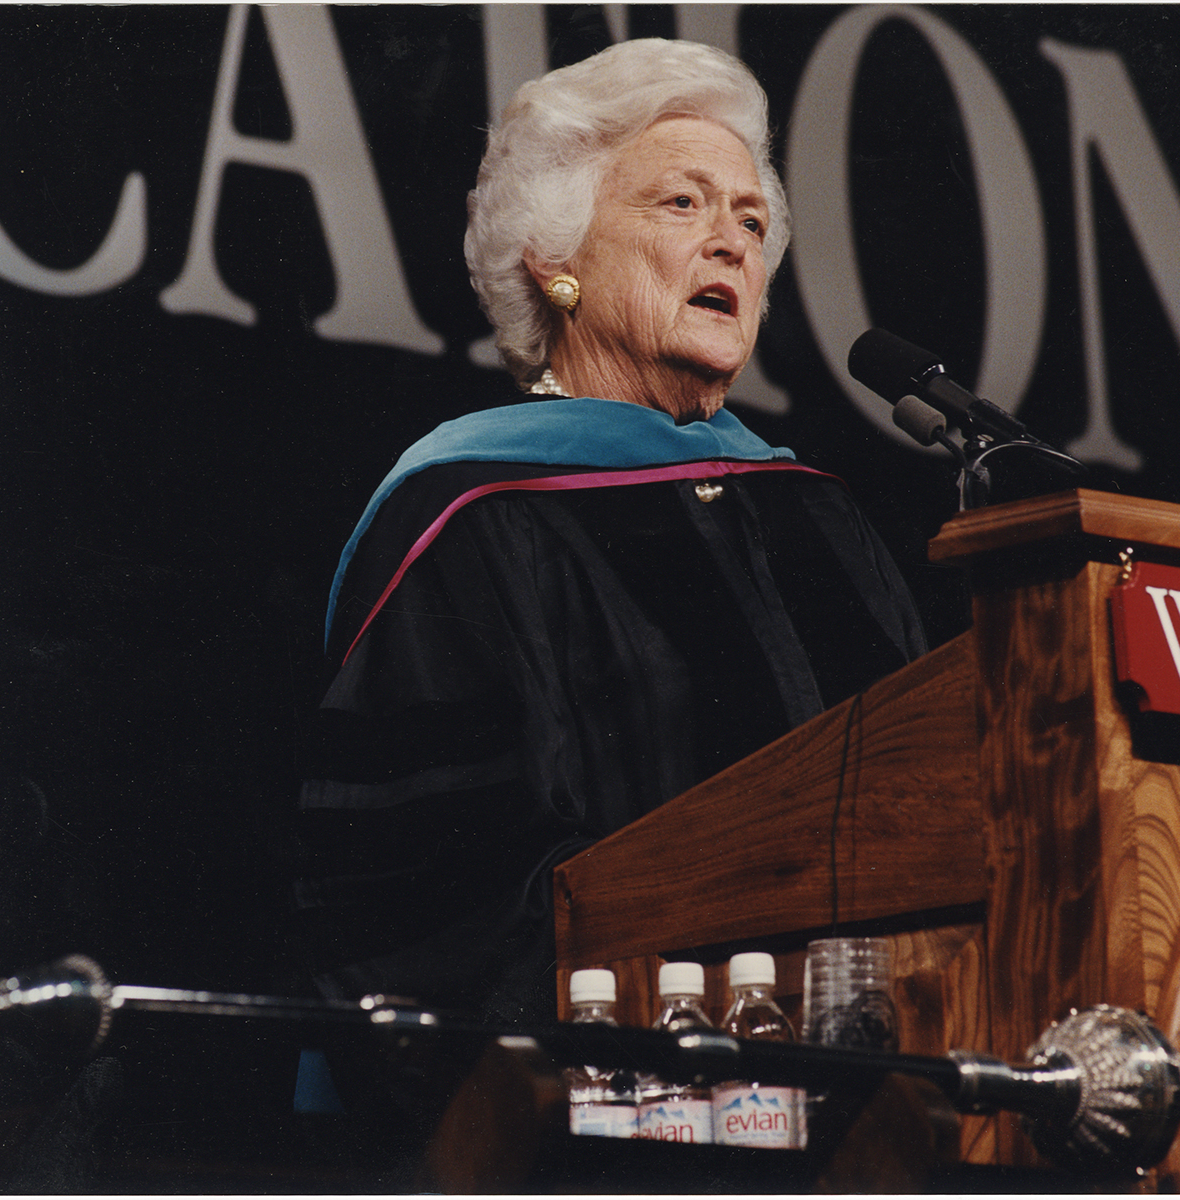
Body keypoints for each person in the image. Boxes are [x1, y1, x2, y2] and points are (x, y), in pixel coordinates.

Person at [292, 39, 925, 1037]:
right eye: (682, 204)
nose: (732, 242)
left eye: (750, 220)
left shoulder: (817, 517)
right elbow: (432, 886)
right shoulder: (474, 514)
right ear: (555, 265)